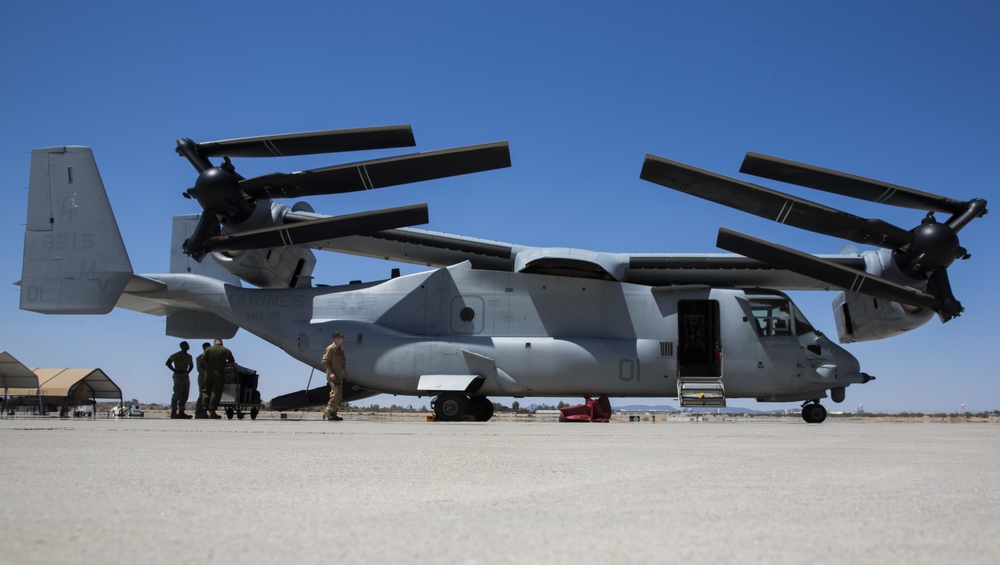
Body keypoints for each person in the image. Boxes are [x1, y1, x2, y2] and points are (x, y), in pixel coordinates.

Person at [200, 338, 234, 419]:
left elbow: (203, 359)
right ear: (221, 343)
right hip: (219, 374)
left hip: (208, 374)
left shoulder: (208, 349)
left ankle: (204, 411)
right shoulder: (226, 350)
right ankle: (212, 412)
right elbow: (231, 361)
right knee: (215, 392)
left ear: (214, 343)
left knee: (205, 391)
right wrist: (223, 363)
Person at [321, 331, 349, 421]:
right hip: (332, 373)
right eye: (341, 336)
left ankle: (334, 413)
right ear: (336, 338)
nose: (343, 338)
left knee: (339, 395)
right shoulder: (330, 348)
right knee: (335, 393)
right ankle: (328, 411)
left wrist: (346, 374)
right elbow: (325, 361)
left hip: (339, 373)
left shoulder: (341, 349)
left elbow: (343, 364)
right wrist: (331, 373)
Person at [165, 341, 194, 419]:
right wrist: (175, 370)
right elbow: (168, 362)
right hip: (178, 376)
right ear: (182, 347)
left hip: (185, 376)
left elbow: (191, 365)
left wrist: (188, 372)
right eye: (185, 345)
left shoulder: (189, 356)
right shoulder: (177, 355)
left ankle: (181, 411)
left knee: (185, 394)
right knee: (177, 393)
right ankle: (173, 411)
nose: (187, 346)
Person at [193, 342, 211, 419]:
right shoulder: (200, 358)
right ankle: (198, 412)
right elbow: (199, 369)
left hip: (210, 378)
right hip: (203, 378)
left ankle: (205, 411)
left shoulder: (212, 358)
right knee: (202, 395)